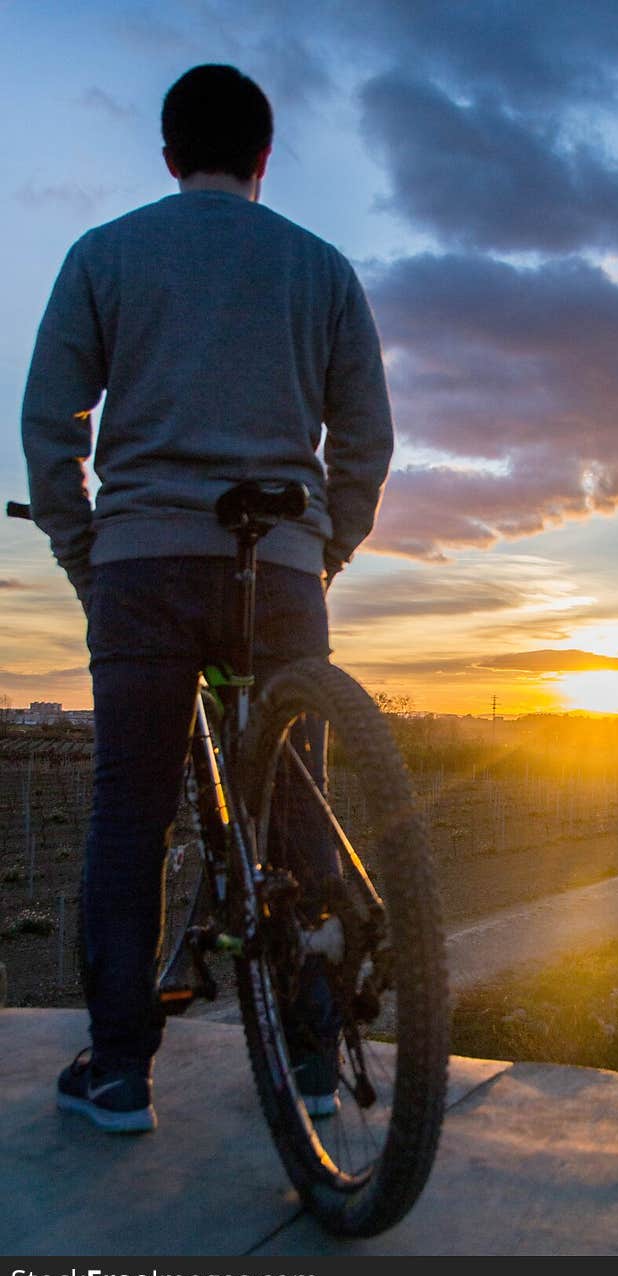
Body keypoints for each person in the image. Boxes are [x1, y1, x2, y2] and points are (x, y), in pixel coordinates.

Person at [21, 64, 394, 1132]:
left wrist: (83, 552)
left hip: (142, 563)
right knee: (296, 814)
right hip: (277, 570)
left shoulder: (105, 255)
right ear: (265, 160)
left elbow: (52, 423)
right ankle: (317, 1062)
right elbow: (365, 437)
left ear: (170, 154)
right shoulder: (321, 270)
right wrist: (324, 552)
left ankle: (120, 1072)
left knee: (130, 812)